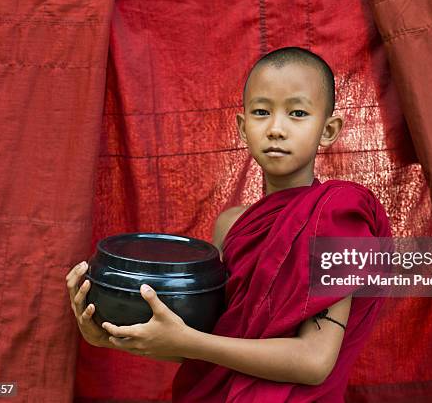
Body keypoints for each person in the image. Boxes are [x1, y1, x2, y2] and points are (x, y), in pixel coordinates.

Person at [66, 46, 391, 402]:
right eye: (261, 112)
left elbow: (315, 360)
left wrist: (190, 341)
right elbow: (211, 346)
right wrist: (111, 333)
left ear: (328, 130)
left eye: (297, 113)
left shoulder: (337, 216)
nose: (276, 128)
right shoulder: (231, 225)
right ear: (242, 126)